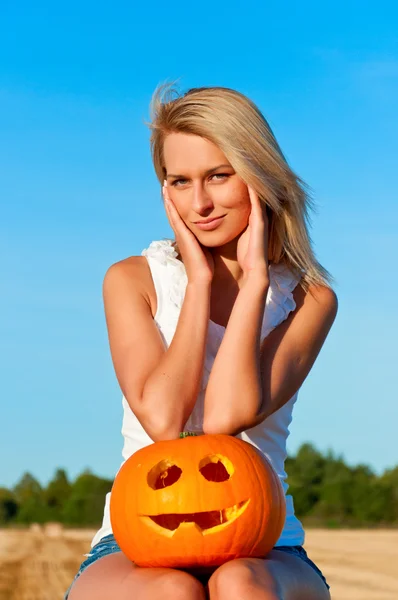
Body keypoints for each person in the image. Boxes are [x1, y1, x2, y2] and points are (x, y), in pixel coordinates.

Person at [65, 83, 337, 600]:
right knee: (173, 592)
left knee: (238, 584)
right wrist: (200, 282)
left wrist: (255, 280)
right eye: (180, 181)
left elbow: (224, 417)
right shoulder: (131, 281)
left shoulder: (309, 300)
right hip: (134, 539)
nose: (200, 203)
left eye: (218, 176)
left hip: (267, 542)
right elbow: (165, 422)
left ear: (259, 176)